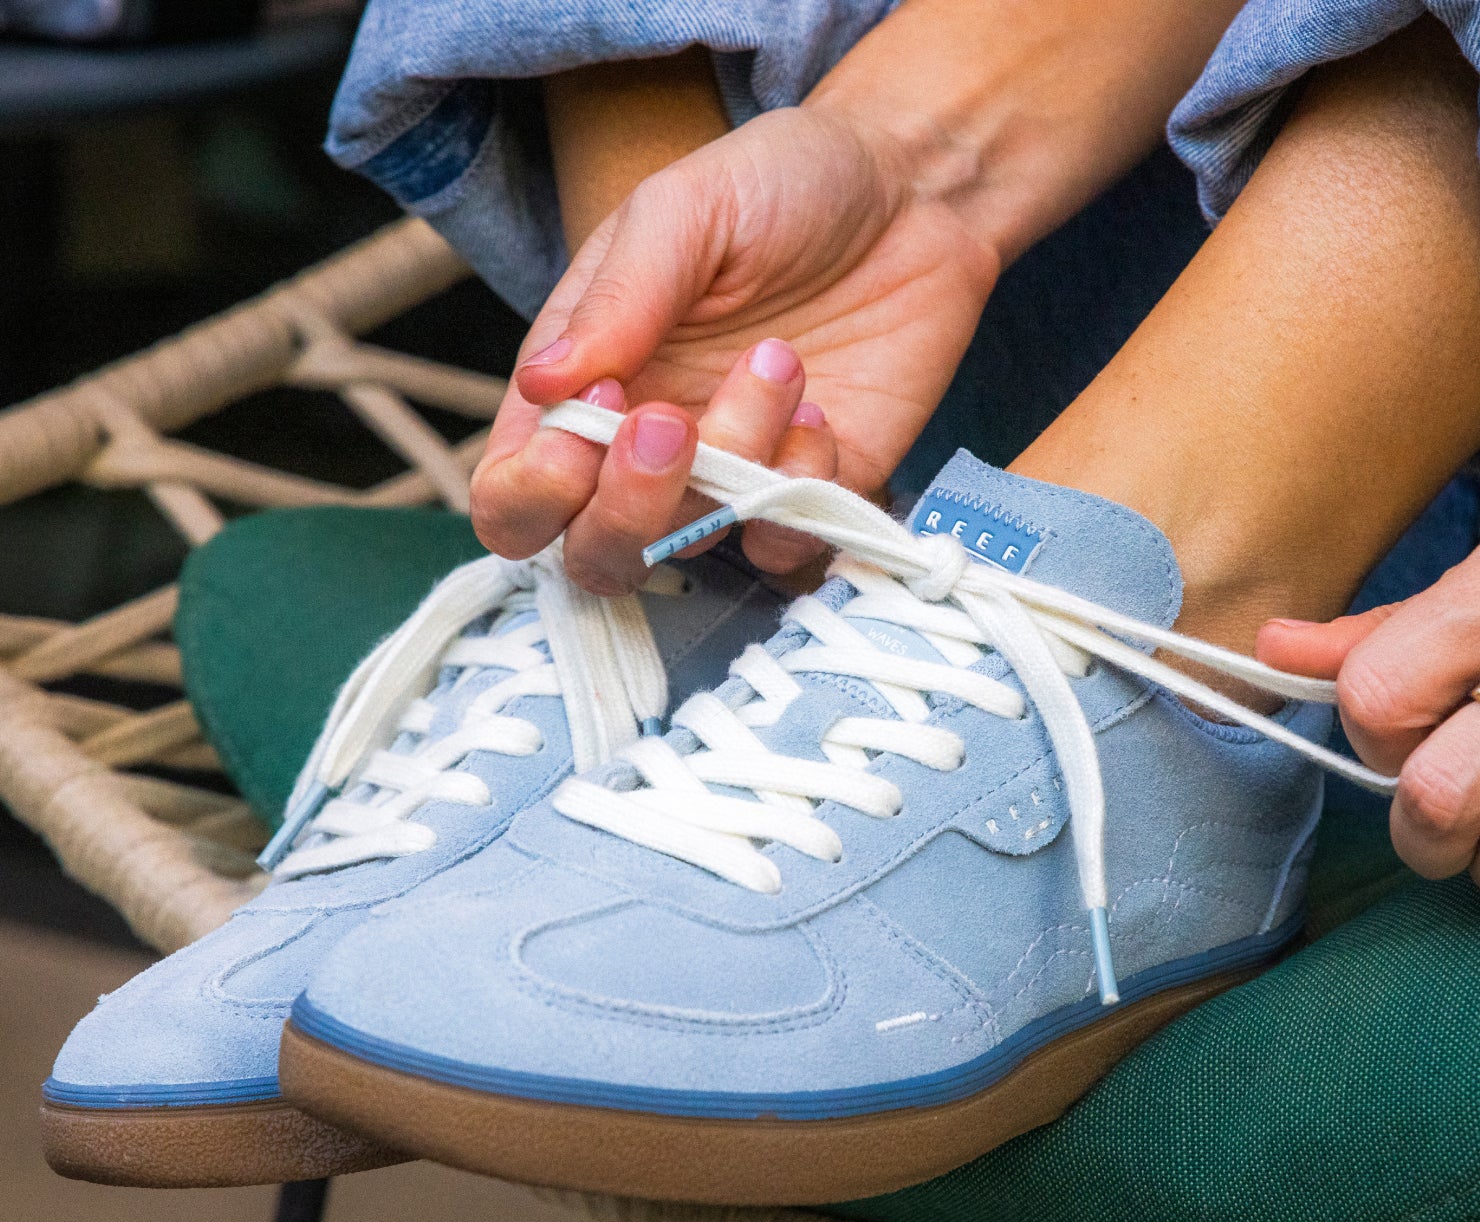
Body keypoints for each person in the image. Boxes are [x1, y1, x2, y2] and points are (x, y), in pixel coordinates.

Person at [329, 0, 1480, 890]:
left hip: (1392, 604)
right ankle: (695, 551)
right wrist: (899, 155)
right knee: (695, 441)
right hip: (991, 332)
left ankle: (1168, 611)